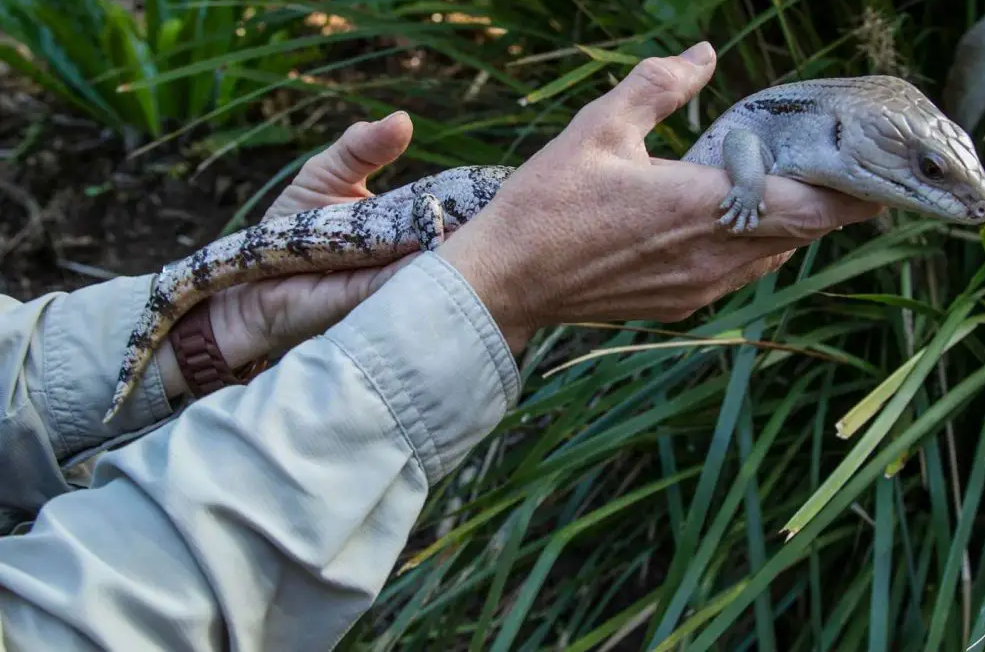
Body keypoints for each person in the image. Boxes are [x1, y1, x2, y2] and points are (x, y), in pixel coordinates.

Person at [0, 42, 881, 650]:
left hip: (435, 214)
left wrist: (230, 328)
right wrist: (487, 288)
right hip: (443, 213)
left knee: (230, 269)